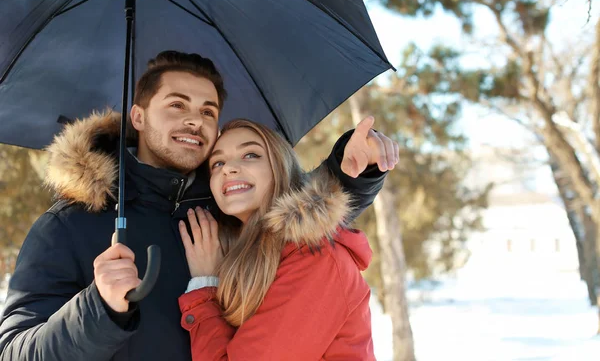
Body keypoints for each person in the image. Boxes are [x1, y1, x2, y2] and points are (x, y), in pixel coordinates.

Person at [0, 51, 398, 361]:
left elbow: (298, 208)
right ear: (138, 116)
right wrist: (99, 308)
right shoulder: (67, 227)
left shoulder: (229, 206)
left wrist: (352, 170)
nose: (195, 121)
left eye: (208, 111)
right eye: (177, 105)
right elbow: (15, 351)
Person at [178, 119, 375, 360]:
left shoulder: (315, 256)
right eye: (217, 162)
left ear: (281, 167)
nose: (228, 168)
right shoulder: (245, 254)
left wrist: (204, 289)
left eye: (250, 154)